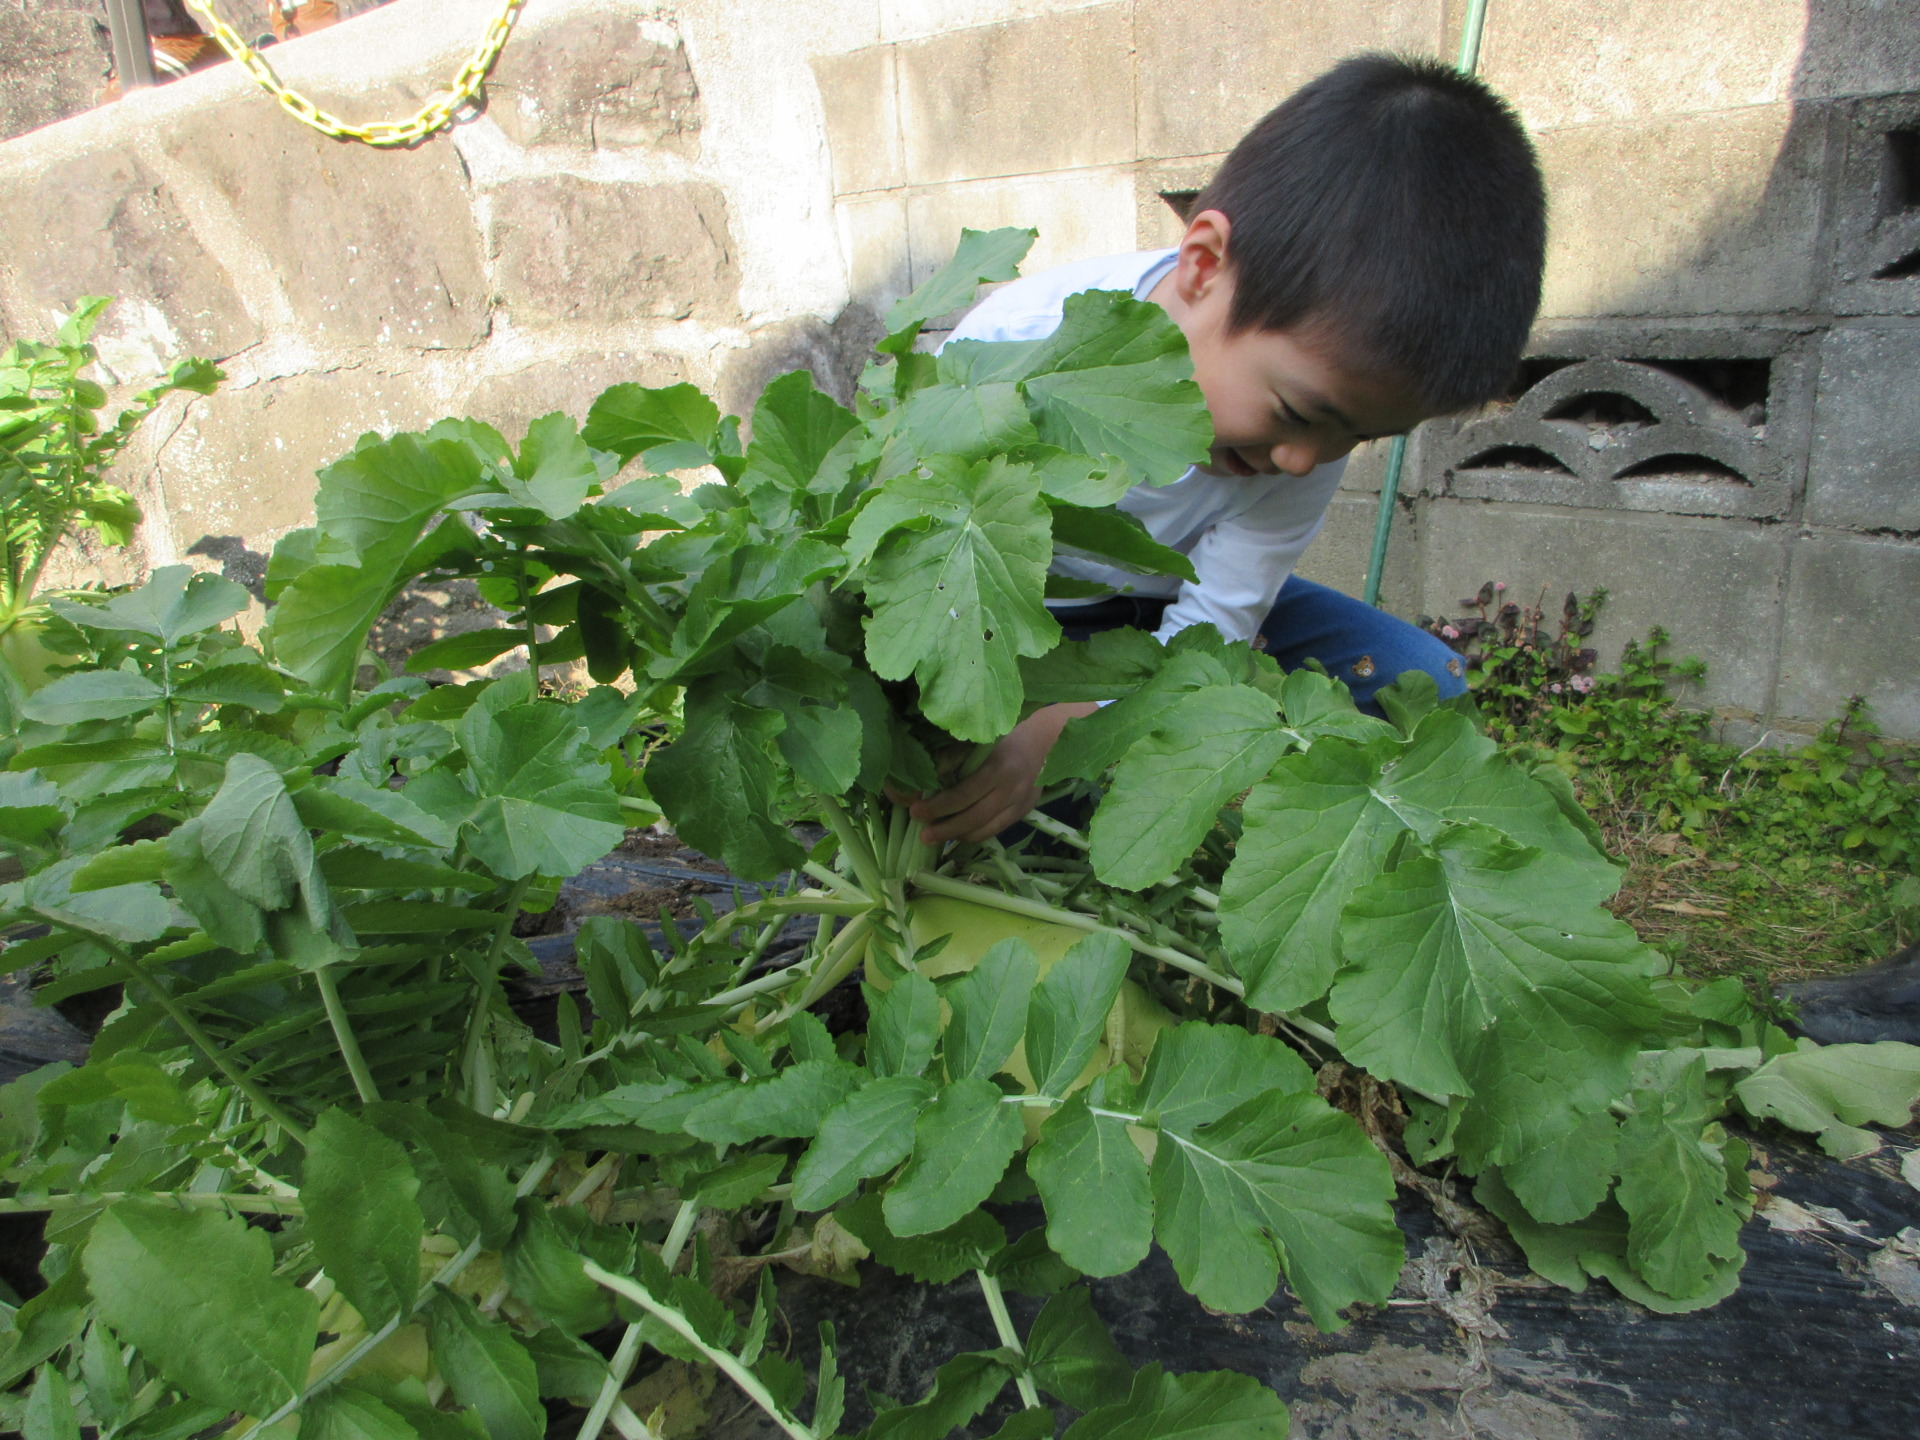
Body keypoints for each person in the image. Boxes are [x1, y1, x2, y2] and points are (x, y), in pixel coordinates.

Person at [901, 52, 1548, 846]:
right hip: (1002, 624)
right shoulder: (1013, 348)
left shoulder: (1309, 431)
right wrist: (1023, 723)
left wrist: (1080, 725)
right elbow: (921, 573)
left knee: (1419, 675)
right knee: (969, 775)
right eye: (1299, 413)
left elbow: (1219, 617)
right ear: (1203, 266)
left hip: (1166, 619)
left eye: (1358, 438)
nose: (1305, 461)